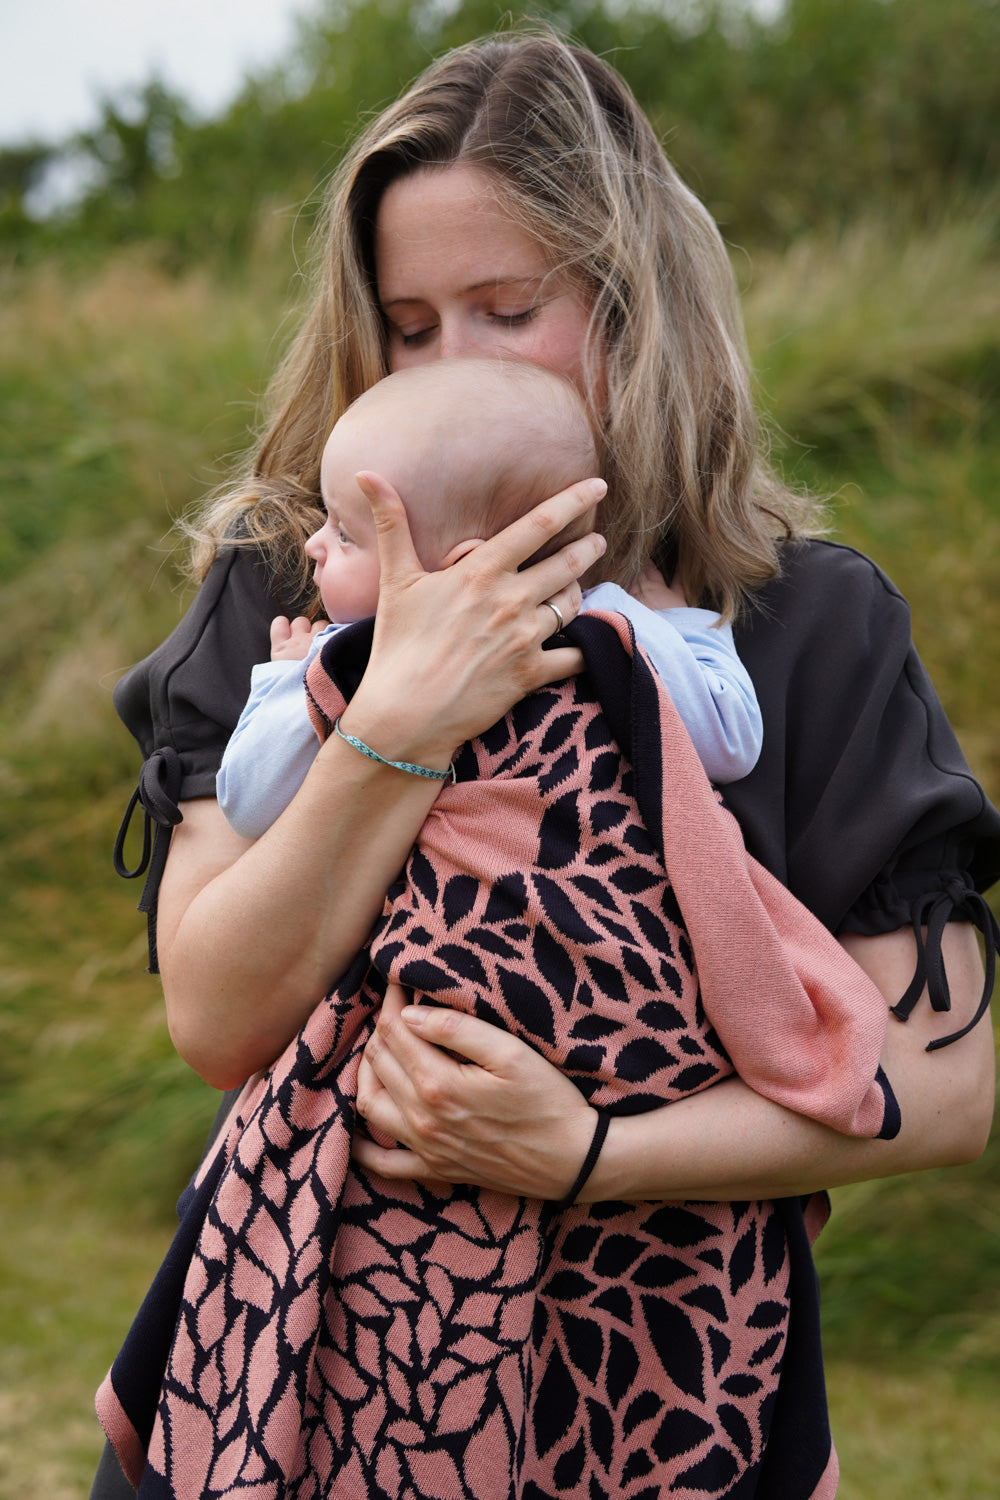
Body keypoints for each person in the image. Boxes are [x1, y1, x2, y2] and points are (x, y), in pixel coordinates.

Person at [101, 26, 999, 1500]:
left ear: (635, 308)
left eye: (507, 309)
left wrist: (584, 1151)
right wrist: (403, 713)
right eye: (406, 324)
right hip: (308, 1377)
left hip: (682, 1399)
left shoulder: (798, 623)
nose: (450, 363)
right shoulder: (290, 585)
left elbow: (945, 1094)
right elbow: (215, 1013)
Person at [216, 356, 764, 841]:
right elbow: (729, 738)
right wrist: (679, 624)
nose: (314, 543)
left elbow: (249, 803)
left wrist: (287, 678)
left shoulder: (349, 659)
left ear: (465, 569)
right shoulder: (610, 624)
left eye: (344, 534)